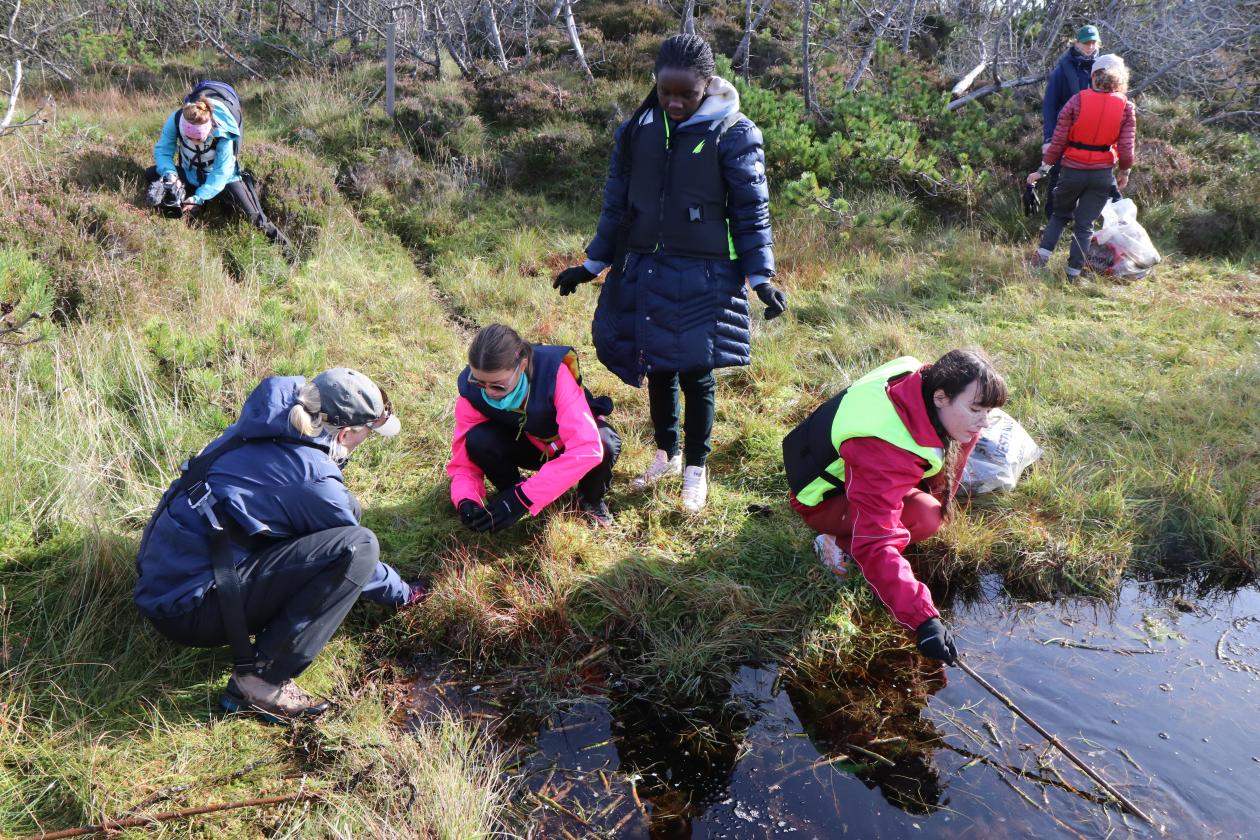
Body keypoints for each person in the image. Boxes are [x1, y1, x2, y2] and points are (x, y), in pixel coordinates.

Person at [551, 33, 787, 513]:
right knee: (656, 367)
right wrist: (591, 265)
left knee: (697, 375)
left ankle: (696, 471)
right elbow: (617, 205)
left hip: (706, 275)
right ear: (655, 85)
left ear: (708, 85)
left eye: (687, 95)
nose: (675, 103)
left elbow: (750, 212)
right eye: (666, 93)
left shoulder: (734, 133)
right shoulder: (637, 129)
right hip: (646, 269)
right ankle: (668, 455)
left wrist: (761, 277)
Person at [135, 368, 425, 722]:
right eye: (366, 435)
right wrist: (405, 594)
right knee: (358, 548)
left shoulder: (269, 422)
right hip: (190, 609)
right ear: (347, 432)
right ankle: (260, 681)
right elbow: (354, 555)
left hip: (166, 579)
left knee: (347, 511)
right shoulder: (311, 476)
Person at [782, 350, 1009, 665]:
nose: (983, 423)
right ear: (941, 398)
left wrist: (944, 494)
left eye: (989, 411)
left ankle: (849, 531)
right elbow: (877, 543)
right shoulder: (883, 445)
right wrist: (923, 619)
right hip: (820, 499)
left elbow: (951, 455)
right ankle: (833, 543)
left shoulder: (921, 380)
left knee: (936, 509)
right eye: (975, 409)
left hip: (838, 468)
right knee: (927, 517)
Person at [448, 324, 622, 529]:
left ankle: (590, 499)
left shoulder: (554, 375)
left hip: (565, 446)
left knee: (605, 442)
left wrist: (524, 498)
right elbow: (463, 462)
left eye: (498, 385)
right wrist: (466, 499)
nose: (489, 392)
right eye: (479, 382)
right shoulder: (471, 396)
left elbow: (586, 448)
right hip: (527, 446)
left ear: (522, 366)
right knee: (478, 439)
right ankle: (509, 491)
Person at [146, 84, 293, 253]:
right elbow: (164, 150)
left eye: (199, 138)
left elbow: (221, 172)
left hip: (225, 179)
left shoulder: (223, 132)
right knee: (151, 174)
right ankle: (187, 210)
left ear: (210, 130)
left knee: (255, 218)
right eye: (189, 138)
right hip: (191, 172)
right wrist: (170, 175)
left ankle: (290, 255)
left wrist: (199, 197)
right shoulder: (176, 119)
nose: (194, 143)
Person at [1028, 53, 1136, 281]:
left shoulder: (1077, 101)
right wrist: (1124, 171)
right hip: (1101, 175)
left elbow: (1057, 142)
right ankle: (1072, 275)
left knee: (1059, 216)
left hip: (1072, 171)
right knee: (1085, 225)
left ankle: (1040, 260)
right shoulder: (1126, 107)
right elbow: (1126, 147)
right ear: (1120, 79)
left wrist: (1042, 170)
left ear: (1094, 76)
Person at [1040, 25, 1100, 218]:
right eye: (1086, 43)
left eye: (1093, 42)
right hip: (1063, 134)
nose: (1090, 47)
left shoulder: (1102, 70)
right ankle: (1052, 220)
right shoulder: (1062, 70)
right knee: (1058, 176)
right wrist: (1048, 138)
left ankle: (1080, 222)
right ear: (1076, 43)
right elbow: (1049, 105)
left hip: (1092, 137)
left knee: (1089, 180)